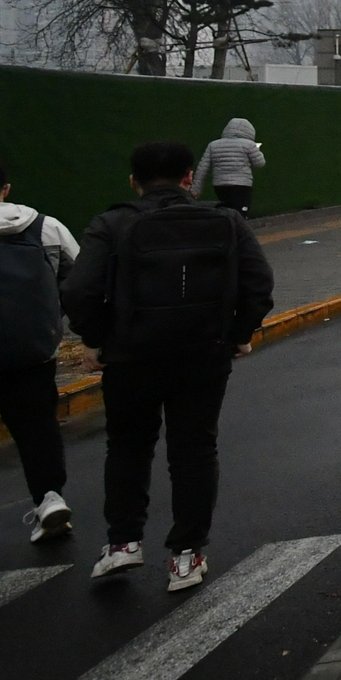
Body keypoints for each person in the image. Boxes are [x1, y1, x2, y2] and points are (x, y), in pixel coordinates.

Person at [62, 141, 273, 590]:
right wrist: (239, 334)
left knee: (127, 446)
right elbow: (259, 282)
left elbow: (79, 290)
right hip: (203, 353)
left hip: (131, 356)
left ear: (133, 182)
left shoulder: (113, 223)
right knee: (195, 450)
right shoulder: (226, 221)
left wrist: (98, 339)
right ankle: (187, 555)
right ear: (187, 178)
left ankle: (123, 543)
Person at [0, 162, 81, 544]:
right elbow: (79, 277)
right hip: (32, 348)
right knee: (37, 428)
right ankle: (49, 499)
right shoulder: (43, 226)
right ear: (6, 188)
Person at [194, 118, 265, 215]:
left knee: (226, 212)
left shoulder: (213, 145)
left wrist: (196, 189)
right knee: (240, 214)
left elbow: (202, 168)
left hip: (220, 185)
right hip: (242, 185)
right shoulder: (249, 145)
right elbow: (260, 163)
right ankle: (238, 229)